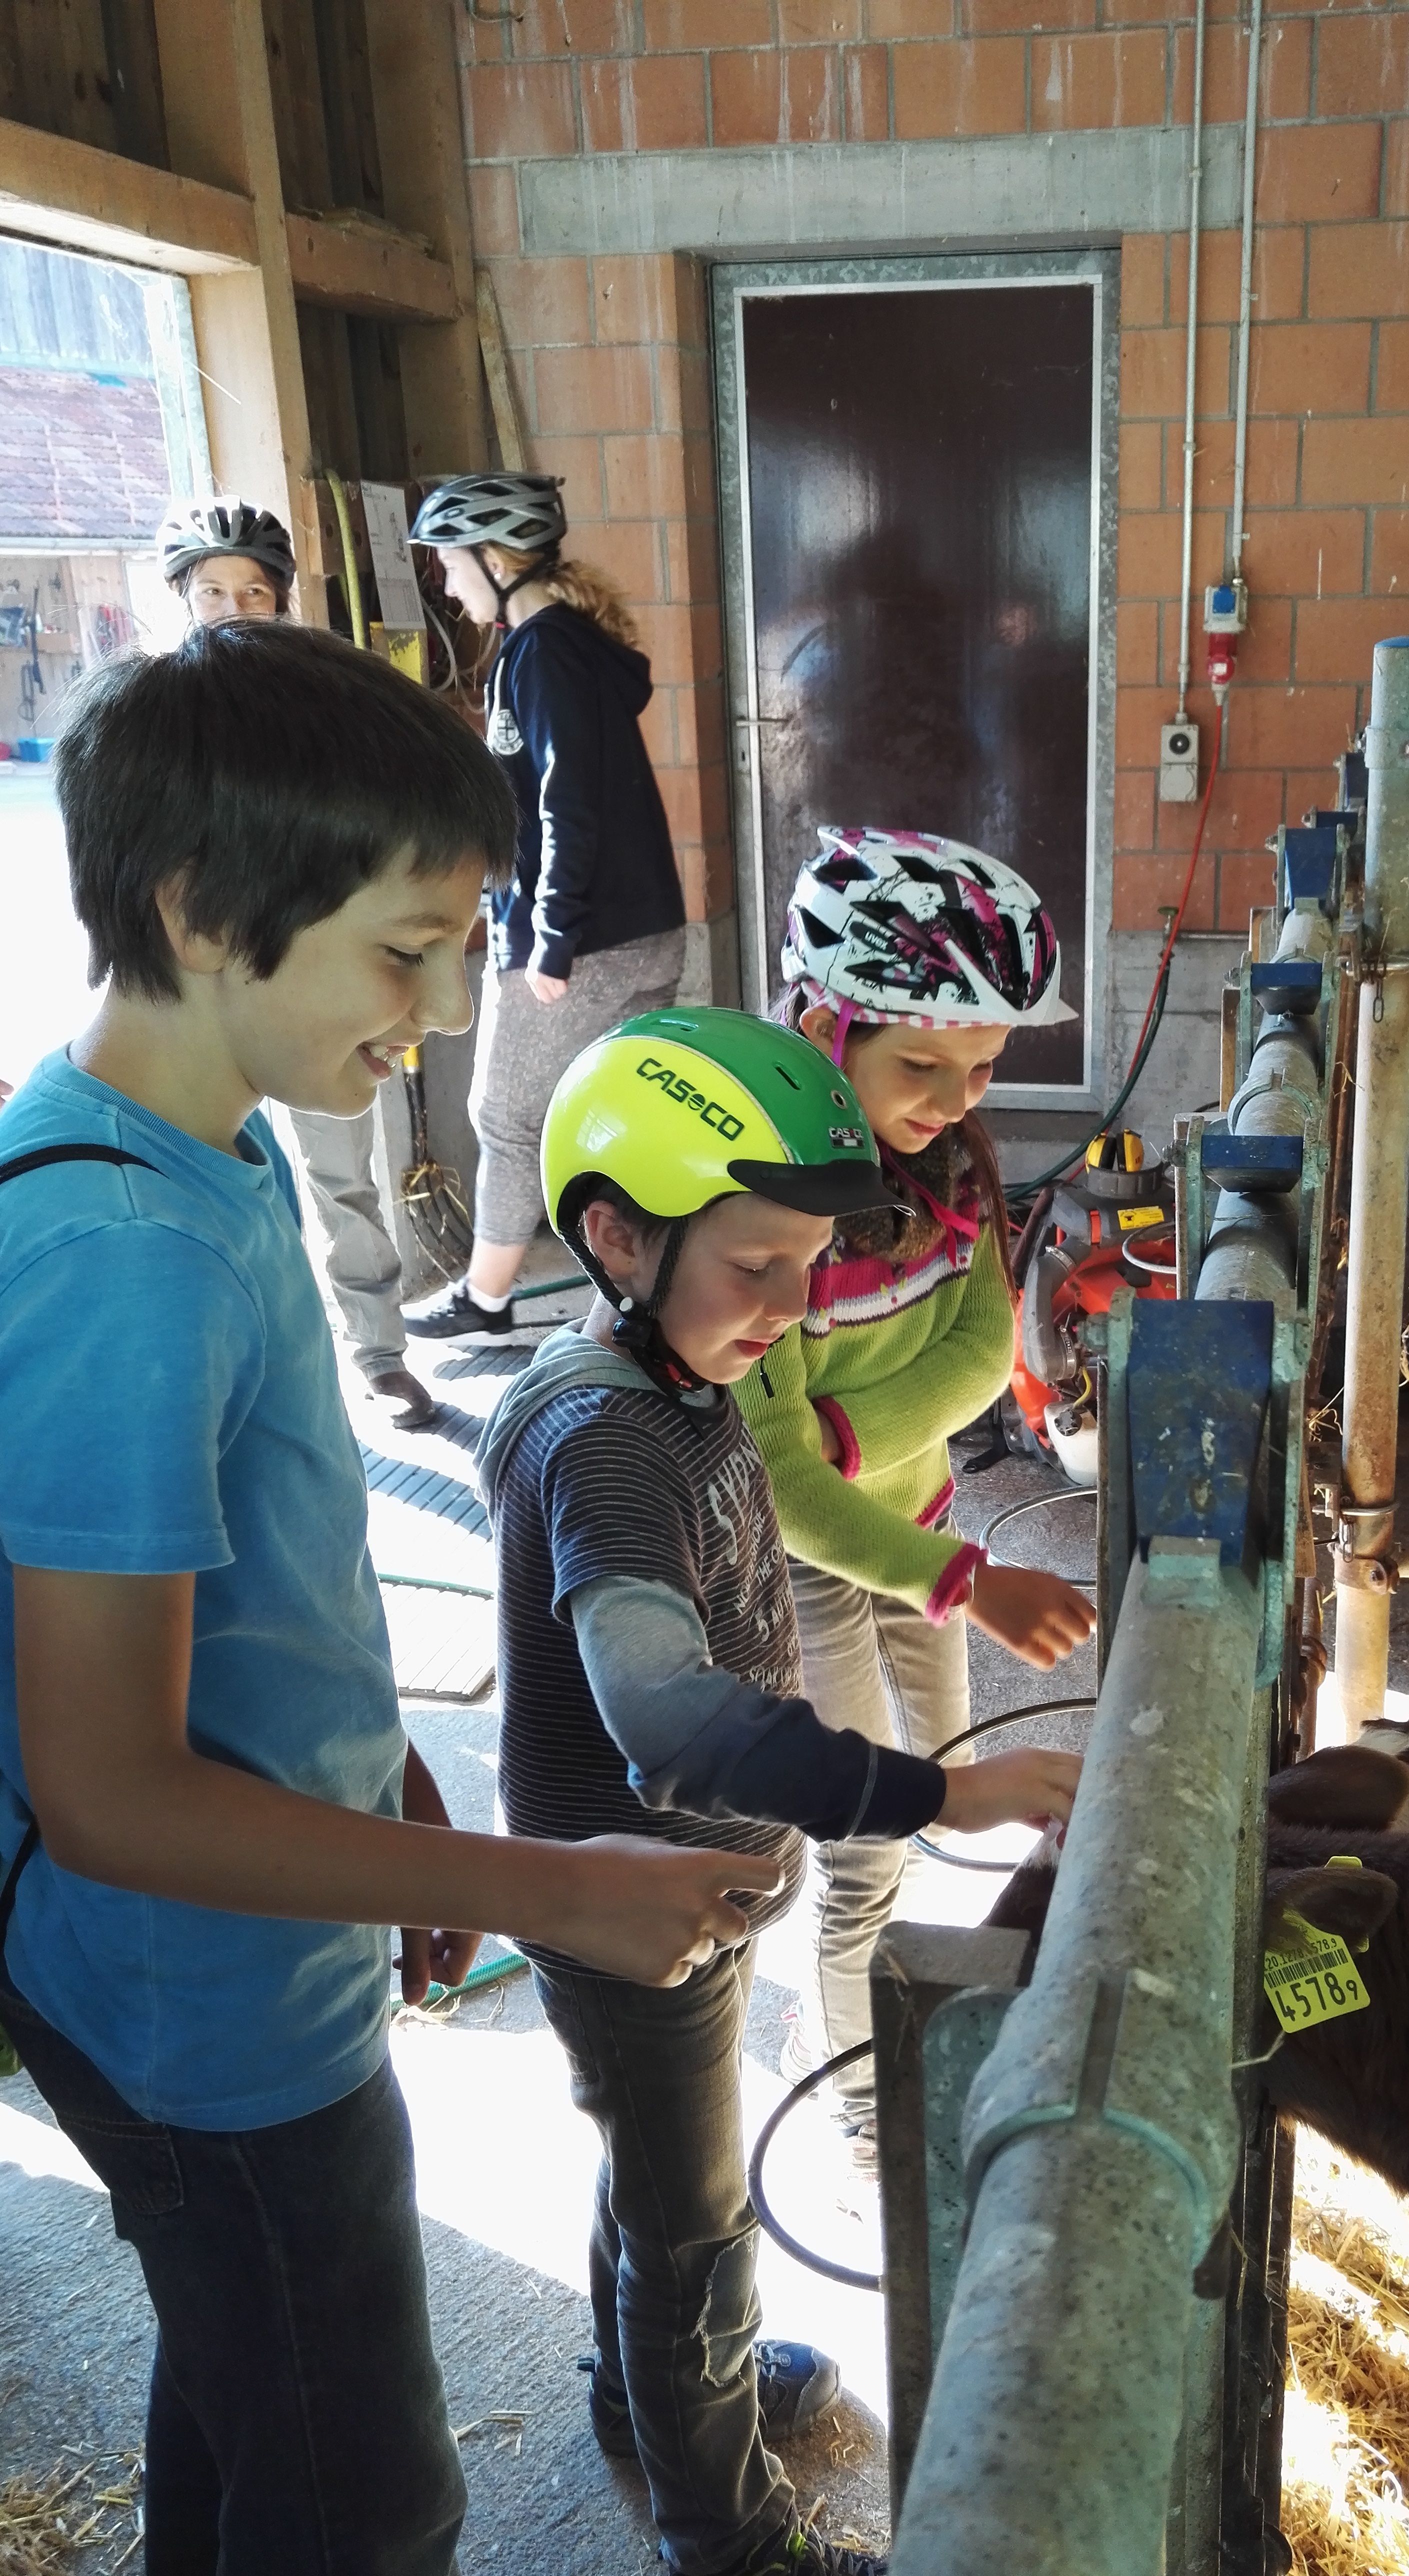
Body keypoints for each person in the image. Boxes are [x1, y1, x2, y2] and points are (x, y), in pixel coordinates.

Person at [0, 621, 770, 2576]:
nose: (435, 1014)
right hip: (203, 2015)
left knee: (248, 2396)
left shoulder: (206, 1141)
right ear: (200, 908)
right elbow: (108, 1793)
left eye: (458, 949)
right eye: (404, 951)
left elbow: (257, 1584)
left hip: (247, 1944)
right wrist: (546, 1885)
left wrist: (389, 1795)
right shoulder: (123, 1255)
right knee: (367, 2504)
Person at [476, 1006, 1082, 2576]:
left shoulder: (672, 1367)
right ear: (617, 1235)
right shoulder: (610, 1442)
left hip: (691, 1879)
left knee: (654, 2174)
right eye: (759, 1266)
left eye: (810, 1267)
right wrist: (934, 1795)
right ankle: (728, 2538)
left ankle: (646, 2397)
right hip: (634, 1902)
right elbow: (666, 1714)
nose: (794, 1308)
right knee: (697, 2238)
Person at [738, 826, 1096, 2170]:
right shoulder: (762, 1194)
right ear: (824, 1027)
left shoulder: (951, 1171)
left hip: (920, 1523)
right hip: (819, 1567)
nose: (957, 1098)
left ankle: (853, 2028)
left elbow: (981, 1353)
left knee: (947, 1775)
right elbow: (782, 1488)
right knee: (870, 1840)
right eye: (923, 1066)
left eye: (984, 1065)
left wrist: (840, 1427)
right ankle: (856, 2112)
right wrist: (966, 1579)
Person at [156, 495, 438, 1432]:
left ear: (282, 600)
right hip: (200, 994)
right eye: (212, 592)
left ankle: (376, 1352)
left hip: (313, 986)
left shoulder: (331, 715)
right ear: (183, 600)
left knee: (341, 1170)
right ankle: (246, 1366)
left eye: (254, 591)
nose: (233, 610)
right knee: (218, 1178)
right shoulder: (156, 720)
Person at [400, 472, 689, 1344]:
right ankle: (644, 1294)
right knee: (610, 1121)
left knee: (510, 1115)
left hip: (586, 937)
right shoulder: (560, 646)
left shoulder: (545, 651)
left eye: (452, 565)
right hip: (633, 926)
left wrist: (552, 934)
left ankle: (487, 1297)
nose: (448, 586)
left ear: (497, 562)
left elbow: (569, 800)